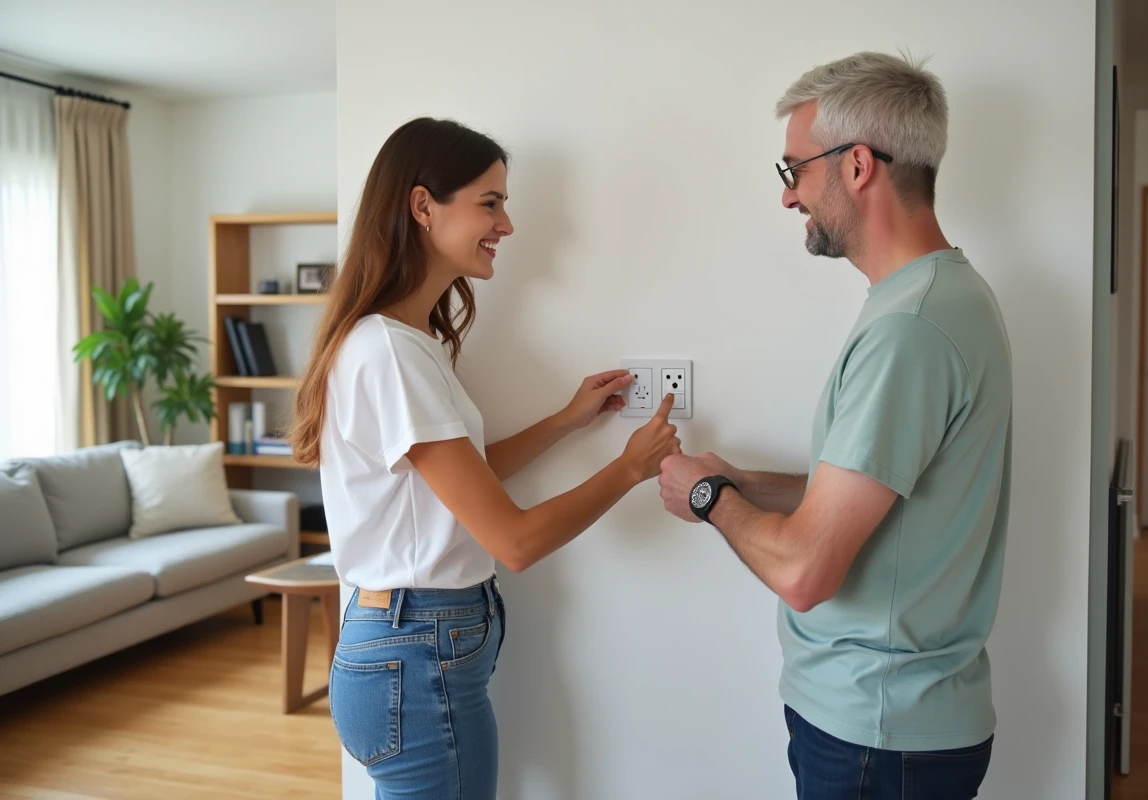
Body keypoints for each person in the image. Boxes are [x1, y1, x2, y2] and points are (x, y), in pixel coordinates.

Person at [290, 117, 681, 800]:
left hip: (403, 650)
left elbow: (459, 483)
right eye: (490, 203)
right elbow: (515, 540)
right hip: (415, 658)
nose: (508, 224)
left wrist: (564, 421)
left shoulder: (406, 343)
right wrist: (629, 468)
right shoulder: (389, 352)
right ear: (422, 206)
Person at [658, 52, 1013, 799]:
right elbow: (879, 490)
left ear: (857, 166)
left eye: (794, 171)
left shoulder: (909, 329)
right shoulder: (941, 296)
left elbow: (803, 572)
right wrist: (746, 482)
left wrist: (707, 498)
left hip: (876, 733)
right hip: (896, 726)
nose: (789, 199)